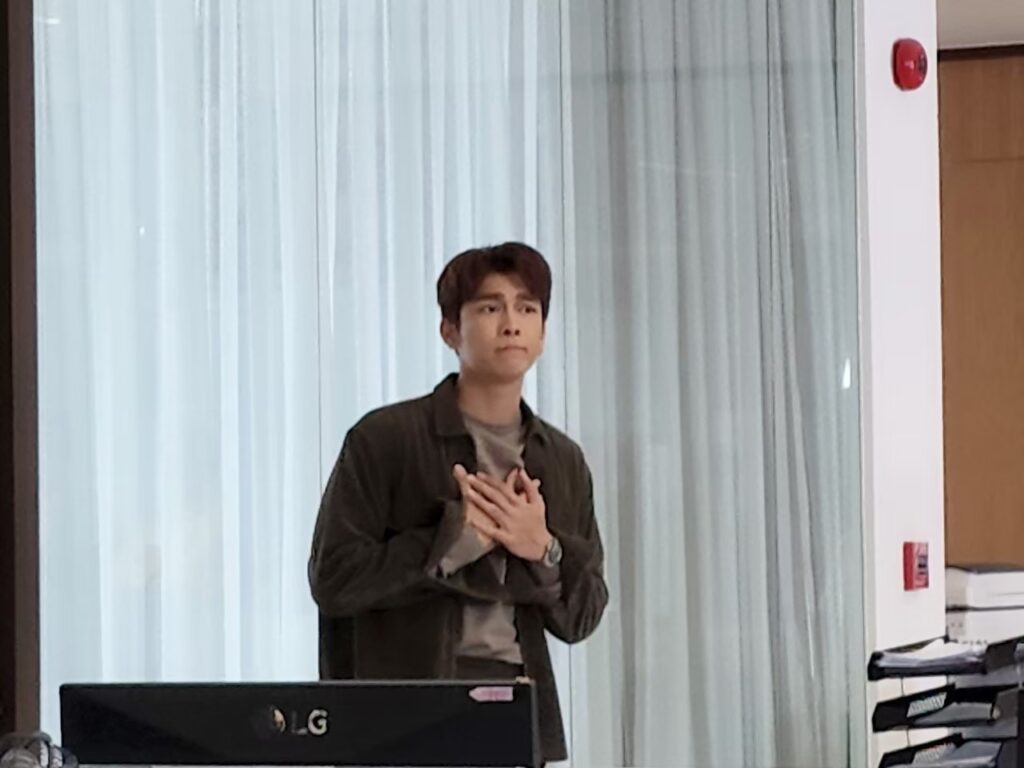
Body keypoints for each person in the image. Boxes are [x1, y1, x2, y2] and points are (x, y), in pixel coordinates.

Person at [308, 242, 608, 763]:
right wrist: (453, 542)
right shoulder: (385, 439)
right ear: (450, 330)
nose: (511, 324)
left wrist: (544, 549)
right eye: (490, 308)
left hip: (514, 710)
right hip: (400, 717)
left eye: (527, 308)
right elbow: (333, 580)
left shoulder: (561, 460)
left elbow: (583, 615)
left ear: (542, 334)